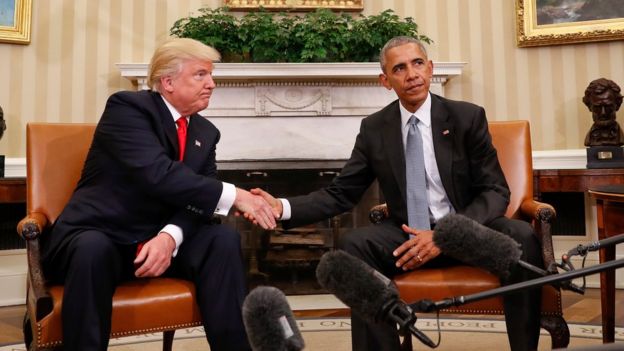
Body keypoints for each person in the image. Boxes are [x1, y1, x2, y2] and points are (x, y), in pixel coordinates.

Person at [251, 36, 543, 351]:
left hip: (468, 230)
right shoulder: (375, 128)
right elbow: (341, 193)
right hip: (407, 236)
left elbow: (495, 191)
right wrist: (282, 208)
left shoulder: (466, 117)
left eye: (418, 63)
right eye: (399, 68)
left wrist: (444, 235)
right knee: (352, 245)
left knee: (521, 236)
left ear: (430, 69)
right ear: (385, 80)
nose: (412, 74)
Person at [40, 38, 278, 351]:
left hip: (158, 242)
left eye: (211, 75)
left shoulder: (206, 133)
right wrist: (236, 195)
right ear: (167, 82)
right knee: (91, 248)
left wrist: (170, 237)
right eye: (200, 75)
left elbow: (199, 203)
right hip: (104, 234)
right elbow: (159, 174)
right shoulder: (127, 109)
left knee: (222, 240)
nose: (212, 84)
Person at [582, 77, 624, 147]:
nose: (603, 113)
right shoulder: (589, 139)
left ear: (617, 106)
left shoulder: (620, 137)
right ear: (589, 107)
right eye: (597, 107)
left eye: (608, 107)